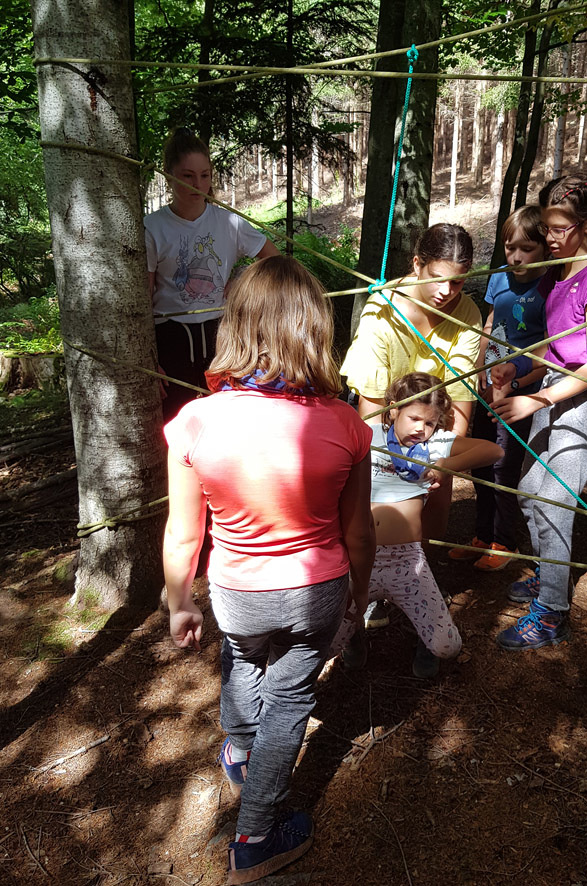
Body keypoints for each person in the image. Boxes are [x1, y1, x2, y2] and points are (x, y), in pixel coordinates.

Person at [163, 256, 376, 883]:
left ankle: (240, 750)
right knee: (288, 700)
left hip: (235, 589)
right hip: (316, 589)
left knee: (242, 656)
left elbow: (183, 533)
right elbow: (358, 532)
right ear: (315, 330)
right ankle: (255, 838)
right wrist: (360, 592)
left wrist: (180, 600)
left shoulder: (196, 421)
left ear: (236, 325)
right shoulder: (346, 424)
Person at [491, 173, 587, 650]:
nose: (548, 238)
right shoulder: (560, 273)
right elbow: (555, 352)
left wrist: (537, 398)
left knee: (554, 499)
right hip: (554, 389)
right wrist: (519, 374)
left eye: (558, 229)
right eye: (546, 228)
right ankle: (547, 572)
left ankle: (552, 612)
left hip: (586, 401)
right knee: (531, 490)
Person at [341, 224, 483, 625]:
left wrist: (441, 461)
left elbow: (461, 399)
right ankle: (369, 579)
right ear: (417, 264)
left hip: (433, 421)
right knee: (378, 497)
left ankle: (419, 574)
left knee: (438, 496)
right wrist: (389, 466)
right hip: (383, 420)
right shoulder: (381, 311)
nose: (446, 292)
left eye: (458, 283)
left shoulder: (468, 313)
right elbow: (370, 409)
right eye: (437, 278)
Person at [331, 372, 503, 678]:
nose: (421, 429)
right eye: (413, 418)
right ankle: (354, 635)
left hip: (407, 561)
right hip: (358, 560)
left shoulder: (437, 444)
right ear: (393, 410)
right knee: (326, 645)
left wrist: (447, 465)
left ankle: (424, 638)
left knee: (447, 646)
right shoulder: (368, 434)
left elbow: (494, 451)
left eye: (430, 422)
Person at [145, 127, 279, 420]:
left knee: (226, 417)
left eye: (205, 175)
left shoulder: (229, 223)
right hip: (171, 340)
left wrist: (241, 281)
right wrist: (149, 360)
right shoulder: (152, 227)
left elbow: (273, 259)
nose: (198, 184)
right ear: (169, 176)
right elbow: (143, 299)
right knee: (177, 419)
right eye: (188, 176)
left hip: (221, 335)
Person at [450, 206, 547, 571]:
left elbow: (548, 349)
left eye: (527, 249)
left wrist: (517, 382)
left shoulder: (548, 286)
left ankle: (504, 541)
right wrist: (480, 366)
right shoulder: (500, 279)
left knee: (505, 467)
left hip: (521, 390)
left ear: (544, 248)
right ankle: (482, 535)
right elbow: (491, 323)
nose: (516, 257)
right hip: (490, 383)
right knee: (481, 462)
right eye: (510, 248)